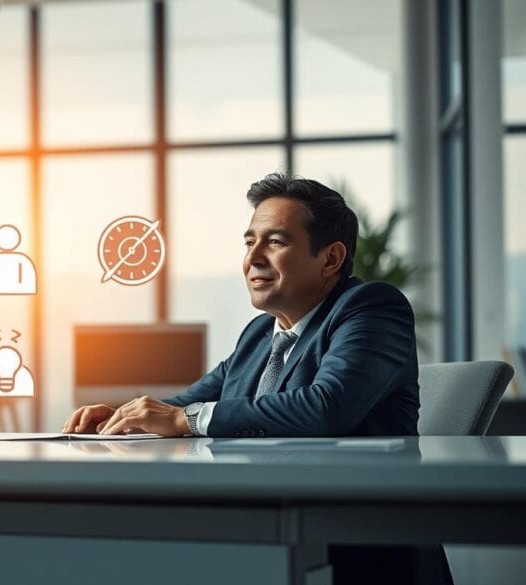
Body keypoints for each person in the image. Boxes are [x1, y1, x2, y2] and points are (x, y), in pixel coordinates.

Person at [62, 173, 451, 585]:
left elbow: (327, 407)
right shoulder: (258, 335)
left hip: (357, 552)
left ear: (331, 259)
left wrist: (186, 420)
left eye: (276, 241)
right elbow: (185, 406)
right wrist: (123, 418)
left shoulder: (370, 308)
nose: (253, 258)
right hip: (267, 536)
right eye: (250, 242)